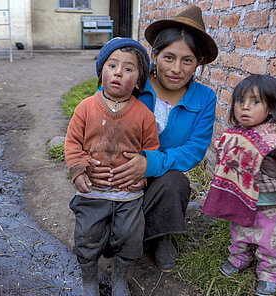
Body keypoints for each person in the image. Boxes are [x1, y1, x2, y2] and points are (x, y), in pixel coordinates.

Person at [85, 4, 219, 273]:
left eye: (187, 60)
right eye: (169, 57)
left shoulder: (205, 98)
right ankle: (117, 226)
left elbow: (194, 150)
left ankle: (160, 236)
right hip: (117, 170)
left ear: (198, 64)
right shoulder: (132, 81)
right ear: (154, 55)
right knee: (106, 245)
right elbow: (96, 118)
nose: (176, 69)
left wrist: (148, 162)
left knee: (175, 182)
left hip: (161, 176)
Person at [202, 74, 276, 296]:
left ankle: (270, 274)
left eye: (255, 102)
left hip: (271, 206)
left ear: (272, 106)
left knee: (270, 242)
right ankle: (239, 258)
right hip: (240, 201)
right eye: (240, 101)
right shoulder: (235, 134)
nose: (245, 108)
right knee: (239, 234)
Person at [65, 37, 160, 296]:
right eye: (112, 65)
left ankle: (120, 278)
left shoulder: (144, 115)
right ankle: (89, 281)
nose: (119, 72)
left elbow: (151, 150)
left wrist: (143, 176)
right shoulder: (85, 108)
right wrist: (78, 169)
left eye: (128, 68)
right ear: (101, 71)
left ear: (140, 80)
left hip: (128, 193)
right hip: (92, 192)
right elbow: (72, 142)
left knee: (130, 235)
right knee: (86, 236)